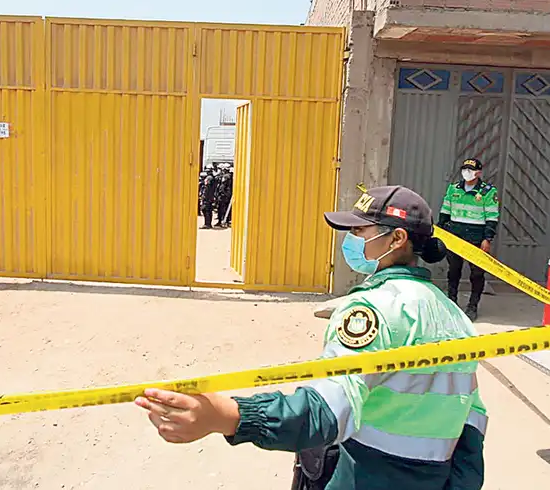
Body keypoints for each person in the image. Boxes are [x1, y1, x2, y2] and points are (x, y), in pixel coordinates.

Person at [136, 185, 487, 490]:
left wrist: (226, 415)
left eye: (360, 231)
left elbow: (325, 413)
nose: (350, 241)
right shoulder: (455, 317)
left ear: (397, 239)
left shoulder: (373, 310)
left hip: (365, 476)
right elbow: (472, 424)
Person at [439, 158, 499, 321]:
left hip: (476, 237)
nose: (467, 173)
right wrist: (441, 230)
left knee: (477, 274)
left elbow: (492, 217)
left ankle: (473, 306)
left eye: (470, 170)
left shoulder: (487, 192)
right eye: (464, 169)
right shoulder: (454, 189)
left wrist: (487, 238)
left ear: (478, 173)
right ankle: (451, 302)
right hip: (455, 236)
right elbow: (445, 211)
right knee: (453, 271)